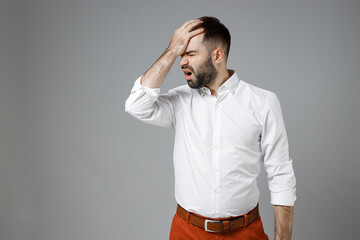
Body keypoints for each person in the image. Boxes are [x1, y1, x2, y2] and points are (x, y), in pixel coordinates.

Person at [125, 16, 296, 240]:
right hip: (187, 232)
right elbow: (136, 105)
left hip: (245, 232)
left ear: (217, 55)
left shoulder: (263, 103)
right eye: (181, 54)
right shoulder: (179, 100)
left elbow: (281, 175)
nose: (181, 62)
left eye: (190, 54)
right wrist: (172, 49)